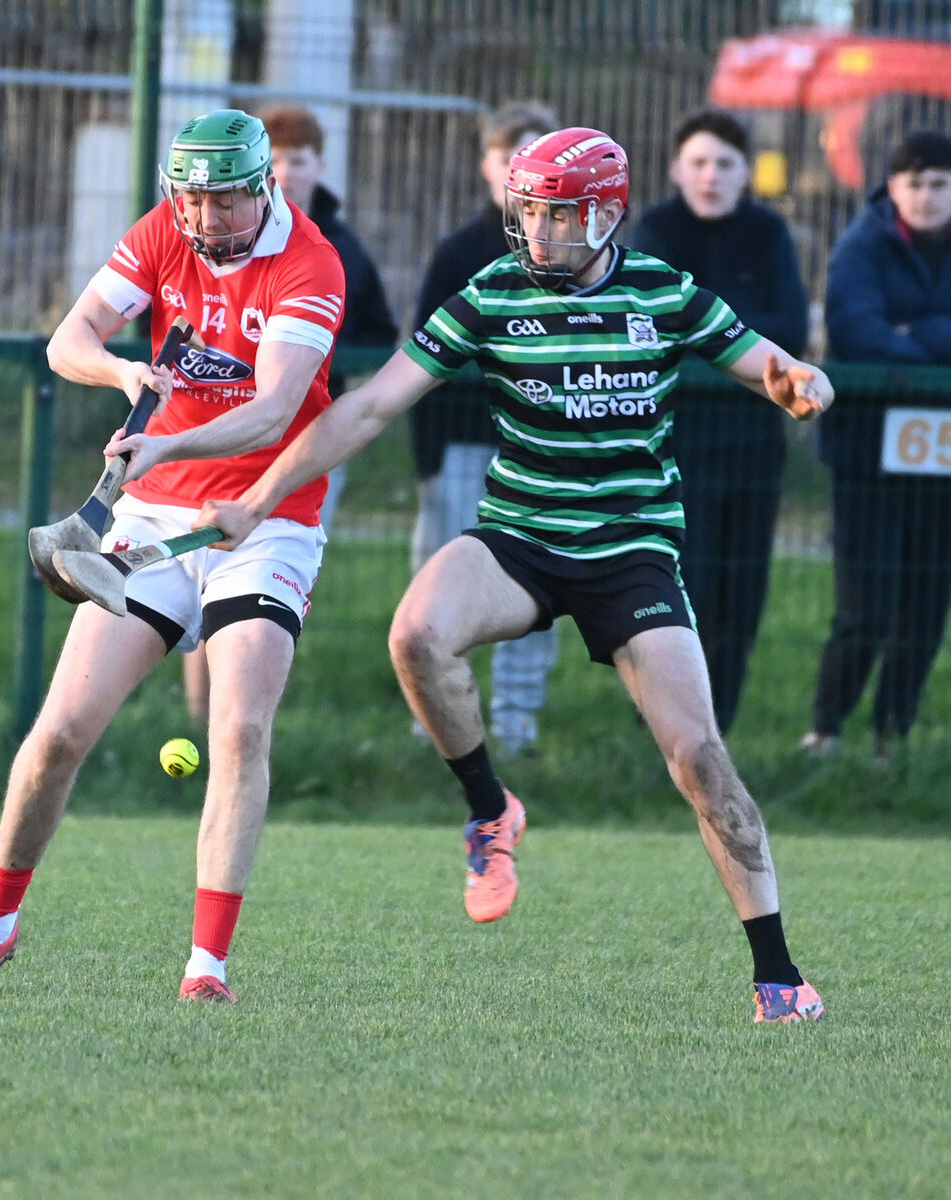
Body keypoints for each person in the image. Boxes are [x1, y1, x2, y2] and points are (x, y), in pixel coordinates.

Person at [191, 127, 832, 1023]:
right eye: (527, 212)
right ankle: (491, 810)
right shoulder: (492, 294)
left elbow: (767, 363)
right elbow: (371, 406)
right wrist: (261, 497)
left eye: (558, 215)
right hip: (519, 537)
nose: (537, 231)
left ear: (605, 214)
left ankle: (779, 979)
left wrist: (798, 381)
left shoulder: (663, 290)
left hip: (630, 552)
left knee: (698, 757)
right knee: (416, 633)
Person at [0, 109, 346, 1003]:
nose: (205, 220)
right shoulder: (163, 232)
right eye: (191, 201)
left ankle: (206, 970)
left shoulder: (309, 263)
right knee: (59, 734)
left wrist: (164, 446)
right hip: (154, 516)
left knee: (237, 730)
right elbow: (68, 340)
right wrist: (126, 375)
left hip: (266, 518)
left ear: (264, 188)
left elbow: (275, 409)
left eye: (224, 203)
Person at [181, 102, 397, 726]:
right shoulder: (209, 241)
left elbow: (378, 335)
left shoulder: (337, 248)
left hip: (306, 446)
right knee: (205, 570)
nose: (286, 171)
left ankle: (246, 710)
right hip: (223, 433)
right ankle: (200, 715)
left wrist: (314, 363)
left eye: (298, 159)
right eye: (274, 159)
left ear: (319, 166)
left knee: (268, 583)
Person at [630, 109, 809, 734]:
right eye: (699, 163)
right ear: (677, 169)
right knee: (686, 587)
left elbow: (790, 332)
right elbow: (656, 329)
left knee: (742, 590)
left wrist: (709, 337)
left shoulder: (769, 233)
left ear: (745, 172)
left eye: (725, 164)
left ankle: (718, 730)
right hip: (675, 446)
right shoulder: (656, 231)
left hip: (755, 443)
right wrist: (741, 343)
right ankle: (663, 726)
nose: (711, 176)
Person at [409, 100, 561, 758]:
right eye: (509, 158)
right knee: (445, 593)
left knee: (534, 590)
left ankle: (517, 722)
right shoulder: (460, 253)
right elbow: (418, 368)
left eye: (536, 156)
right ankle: (438, 724)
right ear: (487, 166)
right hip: (463, 452)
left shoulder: (573, 257)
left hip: (540, 461)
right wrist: (429, 465)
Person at [800, 129, 951, 761]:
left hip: (940, 457)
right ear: (892, 187)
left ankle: (892, 736)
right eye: (915, 183)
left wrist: (915, 333)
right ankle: (827, 728)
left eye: (939, 183)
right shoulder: (859, 246)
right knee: (865, 606)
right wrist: (931, 347)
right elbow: (856, 330)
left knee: (926, 605)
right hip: (865, 453)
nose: (927, 195)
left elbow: (887, 336)